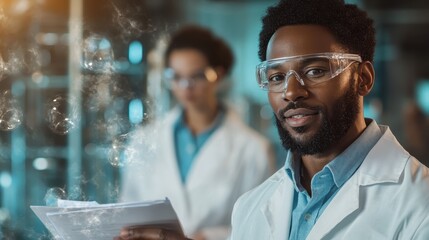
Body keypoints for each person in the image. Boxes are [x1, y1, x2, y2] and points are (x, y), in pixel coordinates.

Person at [230, 0, 429, 239]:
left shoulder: (419, 202)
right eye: (277, 77)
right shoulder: (249, 207)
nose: (291, 92)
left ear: (363, 78)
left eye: (315, 71)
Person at [117, 25, 274, 240]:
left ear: (217, 74)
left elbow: (262, 227)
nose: (185, 87)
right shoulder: (144, 140)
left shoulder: (253, 149)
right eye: (176, 76)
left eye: (197, 76)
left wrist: (208, 237)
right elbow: (127, 209)